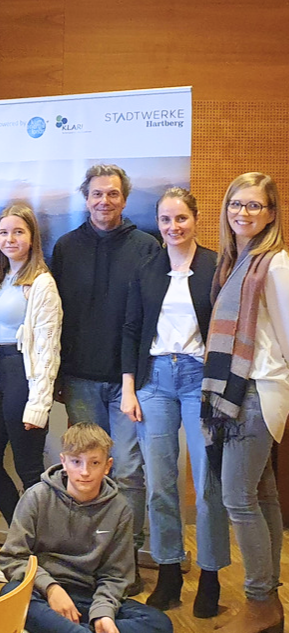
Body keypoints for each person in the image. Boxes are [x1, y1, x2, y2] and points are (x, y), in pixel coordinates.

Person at [119, 187, 229, 614]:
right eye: (165, 219)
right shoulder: (147, 269)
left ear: (195, 219)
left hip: (200, 379)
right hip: (155, 379)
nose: (173, 226)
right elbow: (131, 329)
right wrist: (129, 389)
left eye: (181, 218)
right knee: (160, 484)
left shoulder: (216, 267)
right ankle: (168, 572)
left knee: (208, 484)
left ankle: (211, 576)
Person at [50, 163, 159, 591]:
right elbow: (56, 317)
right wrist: (58, 373)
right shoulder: (66, 247)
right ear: (86, 198)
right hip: (80, 378)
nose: (104, 201)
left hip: (130, 381)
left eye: (112, 194)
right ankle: (89, 559)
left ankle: (126, 559)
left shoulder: (146, 246)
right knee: (86, 471)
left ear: (124, 199)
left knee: (128, 470)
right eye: (97, 193)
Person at [202, 172, 288, 633]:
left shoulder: (273, 264)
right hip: (240, 392)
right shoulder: (236, 263)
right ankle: (268, 604)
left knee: (237, 498)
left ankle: (259, 602)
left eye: (254, 205)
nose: (243, 212)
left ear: (271, 214)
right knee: (261, 494)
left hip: (256, 391)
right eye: (236, 203)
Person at [0, 423, 173, 633]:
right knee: (11, 593)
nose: (85, 472)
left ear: (107, 466)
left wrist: (103, 613)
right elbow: (13, 558)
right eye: (76, 462)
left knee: (158, 623)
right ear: (63, 461)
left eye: (94, 463)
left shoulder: (120, 509)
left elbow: (116, 575)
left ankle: (70, 629)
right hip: (43, 591)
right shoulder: (37, 497)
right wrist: (51, 589)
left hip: (90, 596)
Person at [0, 203, 62, 522]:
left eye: (18, 232)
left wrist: (39, 404)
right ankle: (21, 532)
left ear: (32, 237)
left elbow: (49, 349)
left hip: (22, 374)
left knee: (30, 469)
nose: (10, 239)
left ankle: (43, 543)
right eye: (3, 232)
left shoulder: (41, 283)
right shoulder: (5, 277)